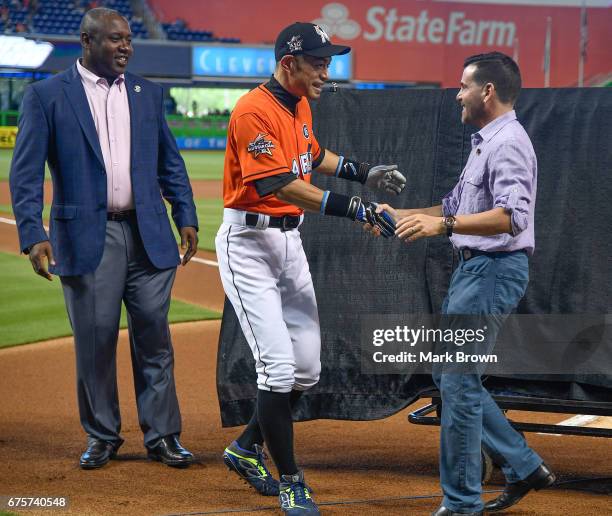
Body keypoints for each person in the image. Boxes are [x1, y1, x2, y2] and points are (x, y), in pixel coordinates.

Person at [216, 22, 404, 515]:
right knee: (277, 369)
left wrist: (364, 172)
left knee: (305, 370)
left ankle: (243, 447)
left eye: (328, 61)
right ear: (288, 64)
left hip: (288, 243)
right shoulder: (252, 111)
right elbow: (280, 183)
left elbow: (311, 156)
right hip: (249, 244)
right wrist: (357, 207)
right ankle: (291, 479)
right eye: (318, 62)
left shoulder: (298, 104)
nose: (327, 70)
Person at [9, 7, 198, 470]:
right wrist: (34, 235)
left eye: (128, 39)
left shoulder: (147, 94)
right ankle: (102, 435)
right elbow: (26, 173)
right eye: (115, 39)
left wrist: (186, 215)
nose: (125, 47)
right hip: (86, 237)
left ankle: (163, 436)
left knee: (155, 338)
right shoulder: (47, 96)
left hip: (148, 233)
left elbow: (169, 162)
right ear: (87, 41)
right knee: (94, 342)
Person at [377, 52, 555, 515]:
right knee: (449, 374)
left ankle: (461, 504)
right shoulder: (486, 142)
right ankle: (521, 463)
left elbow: (511, 218)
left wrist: (443, 226)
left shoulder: (508, 142)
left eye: (463, 86)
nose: (457, 94)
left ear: (487, 91)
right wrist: (404, 216)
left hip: (493, 272)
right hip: (473, 271)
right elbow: (450, 208)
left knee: (456, 380)